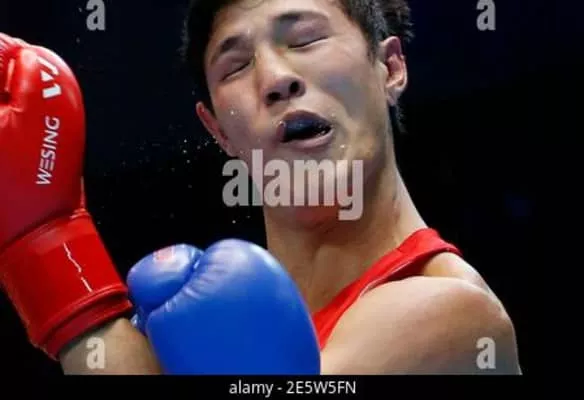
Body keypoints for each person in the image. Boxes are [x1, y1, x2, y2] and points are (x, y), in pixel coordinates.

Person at [0, 0, 521, 375]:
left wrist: (49, 236)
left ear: (390, 67)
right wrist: (34, 235)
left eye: (306, 39)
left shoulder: (456, 315)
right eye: (236, 65)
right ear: (218, 132)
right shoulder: (196, 330)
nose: (275, 79)